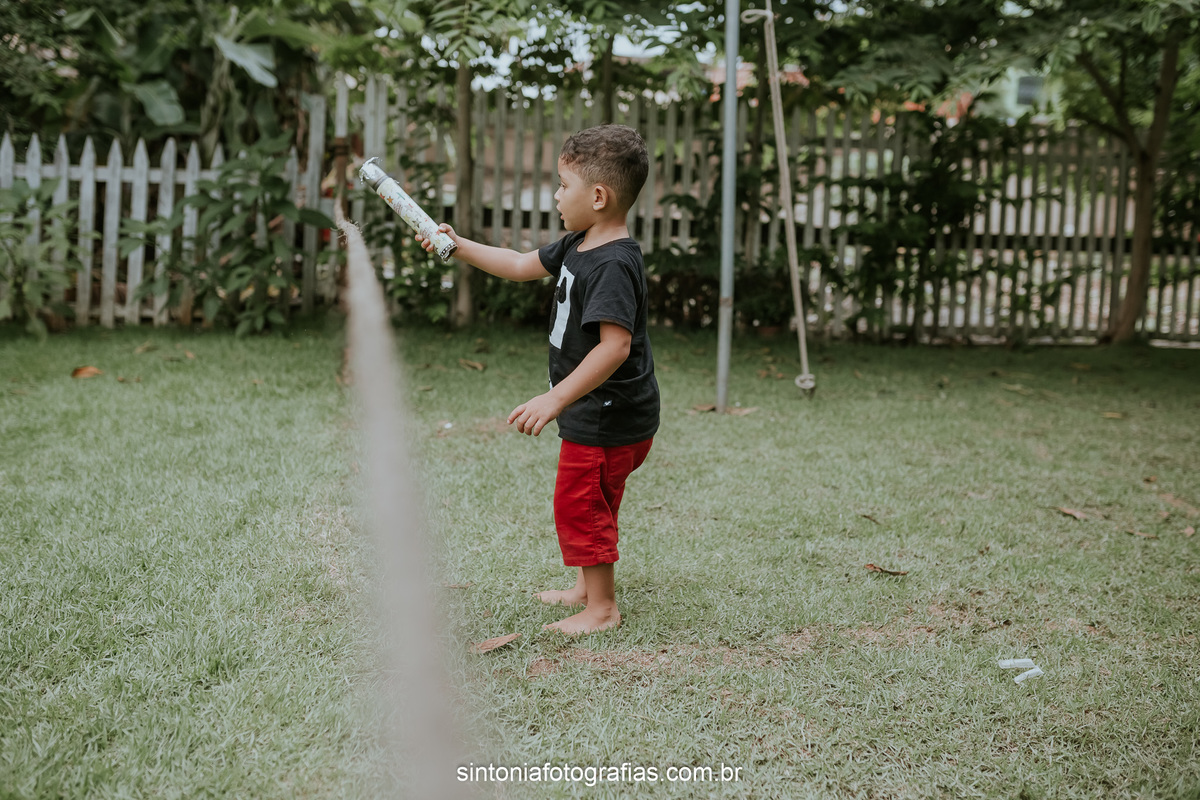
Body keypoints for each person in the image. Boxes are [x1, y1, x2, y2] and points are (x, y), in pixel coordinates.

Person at [415, 124, 659, 634]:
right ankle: (586, 589)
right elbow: (519, 263)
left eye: (563, 186)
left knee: (580, 504)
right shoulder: (580, 243)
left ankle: (602, 610)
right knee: (594, 501)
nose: (555, 196)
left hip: (606, 414)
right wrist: (457, 246)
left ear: (598, 196)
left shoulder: (613, 264)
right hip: (602, 411)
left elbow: (614, 347)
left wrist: (555, 399)